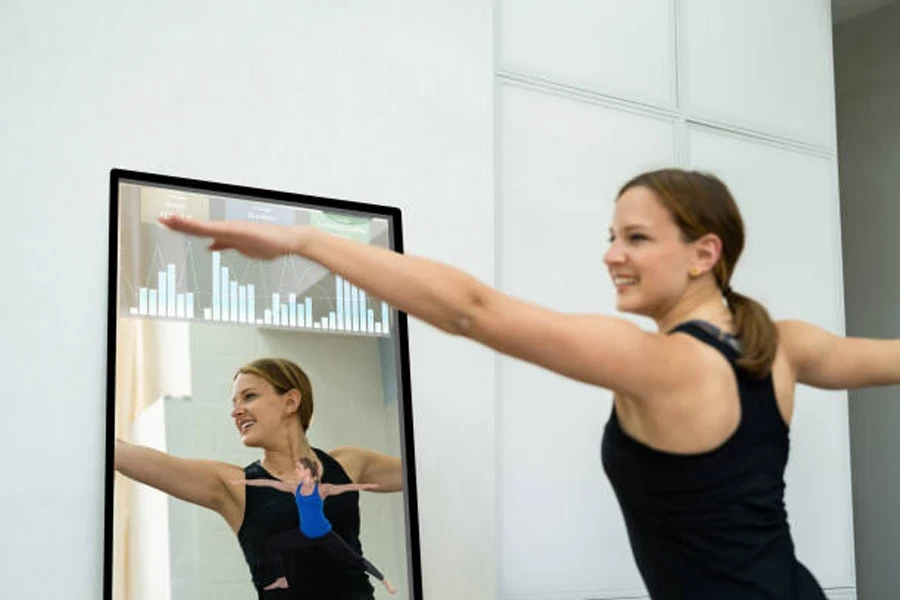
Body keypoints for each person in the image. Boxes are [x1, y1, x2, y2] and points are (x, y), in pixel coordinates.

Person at [160, 167, 900, 599]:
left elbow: (472, 311)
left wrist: (304, 239)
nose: (612, 254)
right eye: (612, 235)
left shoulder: (662, 362)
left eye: (636, 237)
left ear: (705, 252)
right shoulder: (787, 346)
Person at [115, 357, 404, 599]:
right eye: (234, 401)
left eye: (249, 396)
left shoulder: (347, 464)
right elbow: (128, 456)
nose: (236, 411)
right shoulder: (235, 487)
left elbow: (426, 474)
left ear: (291, 401)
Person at [232, 456, 397, 595]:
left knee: (355, 559)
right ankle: (282, 579)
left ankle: (385, 581)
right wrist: (245, 481)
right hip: (304, 534)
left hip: (324, 534)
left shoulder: (322, 489)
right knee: (272, 543)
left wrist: (369, 485)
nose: (296, 471)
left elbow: (348, 487)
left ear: (308, 471)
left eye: (299, 468)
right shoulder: (295, 488)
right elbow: (269, 483)